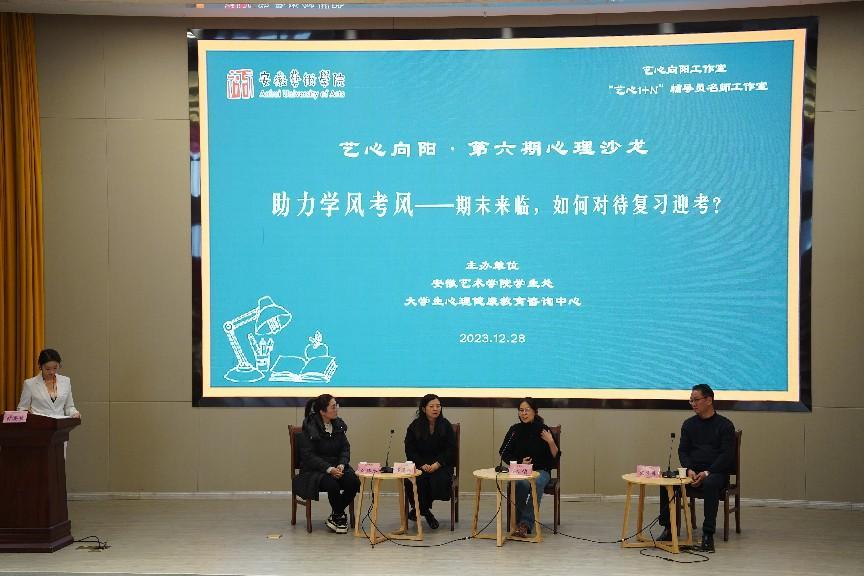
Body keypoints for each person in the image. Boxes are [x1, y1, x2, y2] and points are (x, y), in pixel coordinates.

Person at [659, 383, 736, 553]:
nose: (693, 404)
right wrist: (689, 469)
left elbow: (726, 455)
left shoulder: (725, 425)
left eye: (696, 400)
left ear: (709, 400)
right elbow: (683, 451)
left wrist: (707, 472)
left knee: (710, 483)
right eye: (691, 401)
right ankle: (668, 529)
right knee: (666, 481)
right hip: (692, 471)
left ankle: (708, 535)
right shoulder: (689, 424)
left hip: (715, 472)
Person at [292, 394, 359, 534]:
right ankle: (339, 516)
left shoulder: (338, 425)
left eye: (336, 405)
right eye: (333, 407)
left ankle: (336, 515)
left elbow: (345, 448)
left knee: (353, 481)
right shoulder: (310, 427)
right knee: (332, 484)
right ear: (322, 411)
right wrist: (329, 469)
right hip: (314, 470)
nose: (336, 409)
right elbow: (309, 456)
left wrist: (341, 464)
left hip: (337, 467)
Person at [499, 397, 559, 538]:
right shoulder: (514, 430)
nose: (524, 413)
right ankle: (518, 523)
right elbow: (503, 452)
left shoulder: (543, 429)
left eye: (527, 410)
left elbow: (556, 456)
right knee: (520, 484)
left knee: (535, 483)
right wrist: (519, 462)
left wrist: (551, 441)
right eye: (521, 410)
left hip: (541, 470)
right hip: (521, 470)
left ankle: (525, 524)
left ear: (535, 411)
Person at [403, 394, 456, 530]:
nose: (435, 409)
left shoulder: (446, 425)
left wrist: (438, 464)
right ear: (423, 409)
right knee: (414, 480)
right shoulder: (415, 426)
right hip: (421, 465)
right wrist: (422, 464)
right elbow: (410, 450)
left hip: (441, 465)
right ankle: (426, 513)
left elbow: (451, 449)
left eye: (438, 406)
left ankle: (417, 511)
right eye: (431, 406)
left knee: (439, 479)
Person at [18, 348, 81, 419]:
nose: (52, 372)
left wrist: (74, 413)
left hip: (60, 423)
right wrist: (28, 414)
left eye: (55, 368)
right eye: (47, 369)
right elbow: (22, 408)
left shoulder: (66, 381)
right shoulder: (30, 384)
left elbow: (69, 407)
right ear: (40, 366)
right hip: (39, 423)